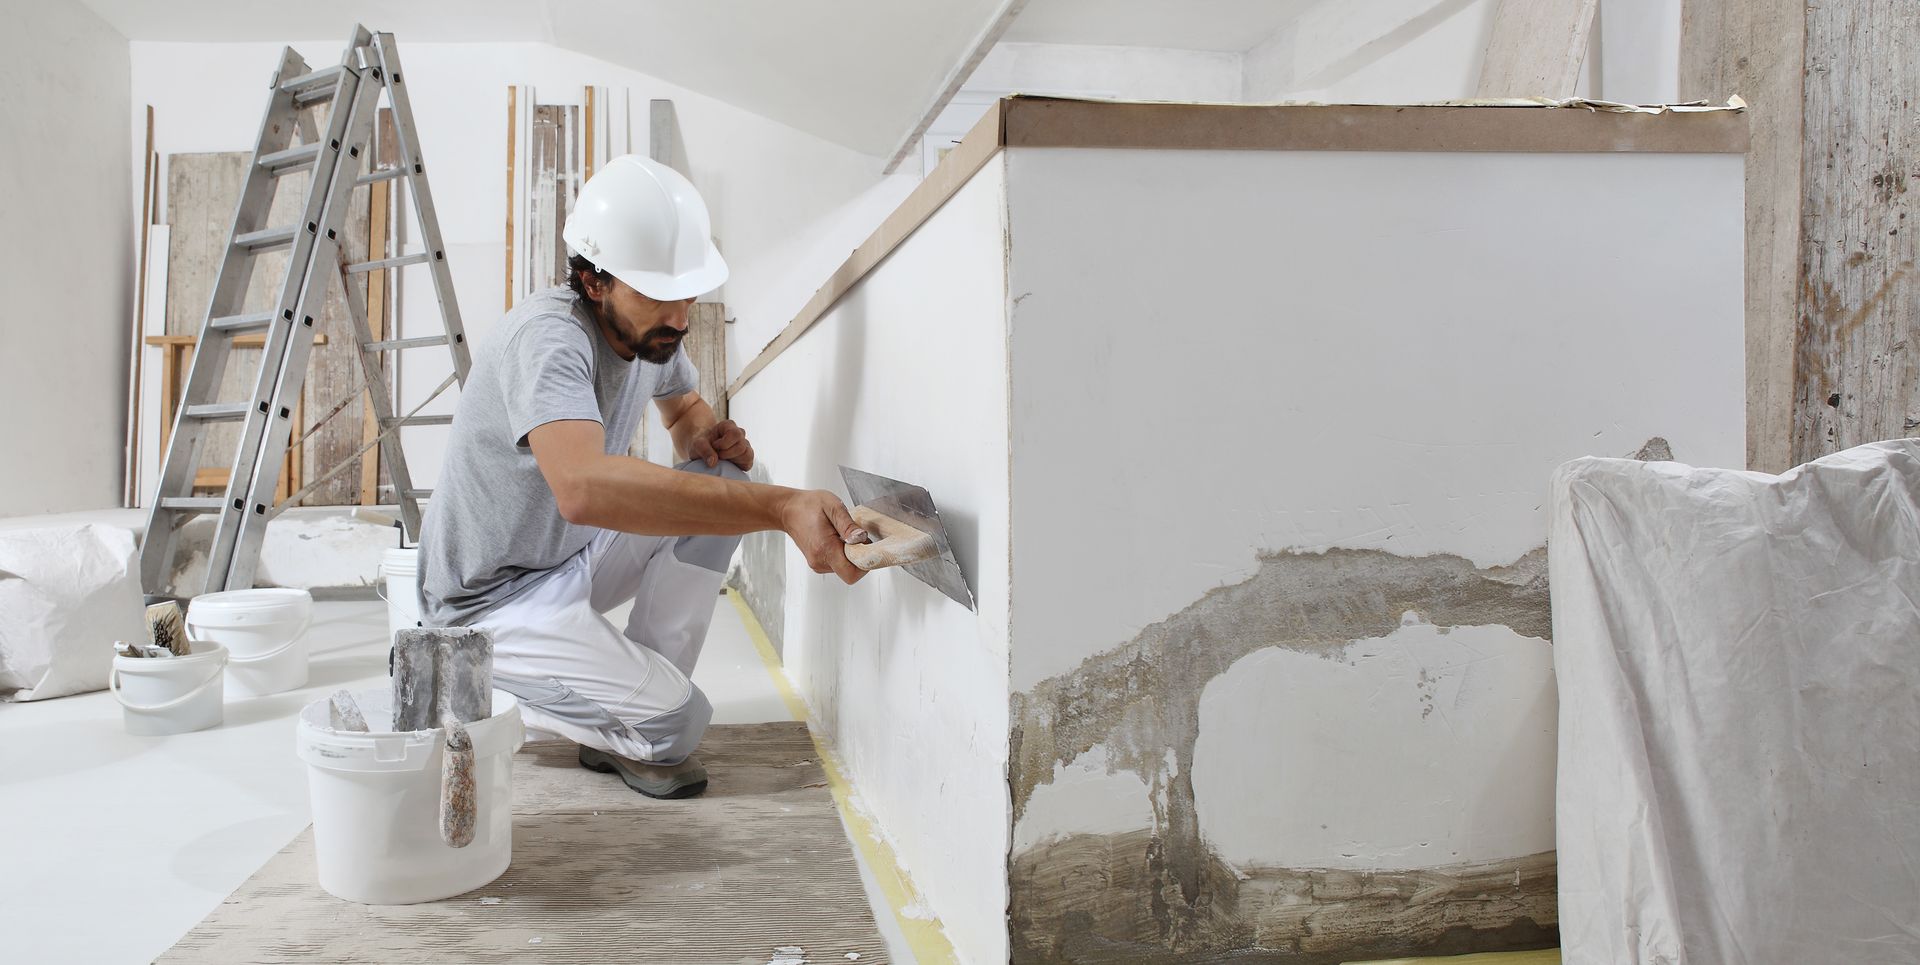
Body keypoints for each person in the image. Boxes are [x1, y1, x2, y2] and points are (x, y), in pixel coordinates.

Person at [417, 155, 867, 799]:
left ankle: (631, 708)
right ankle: (465, 678)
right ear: (595, 282)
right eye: (661, 294)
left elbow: (682, 409)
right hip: (488, 604)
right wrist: (784, 507)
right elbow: (582, 488)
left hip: (565, 562)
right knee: (678, 726)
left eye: (688, 292)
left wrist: (705, 437)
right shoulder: (549, 340)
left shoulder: (652, 336)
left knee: (728, 483)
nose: (682, 317)